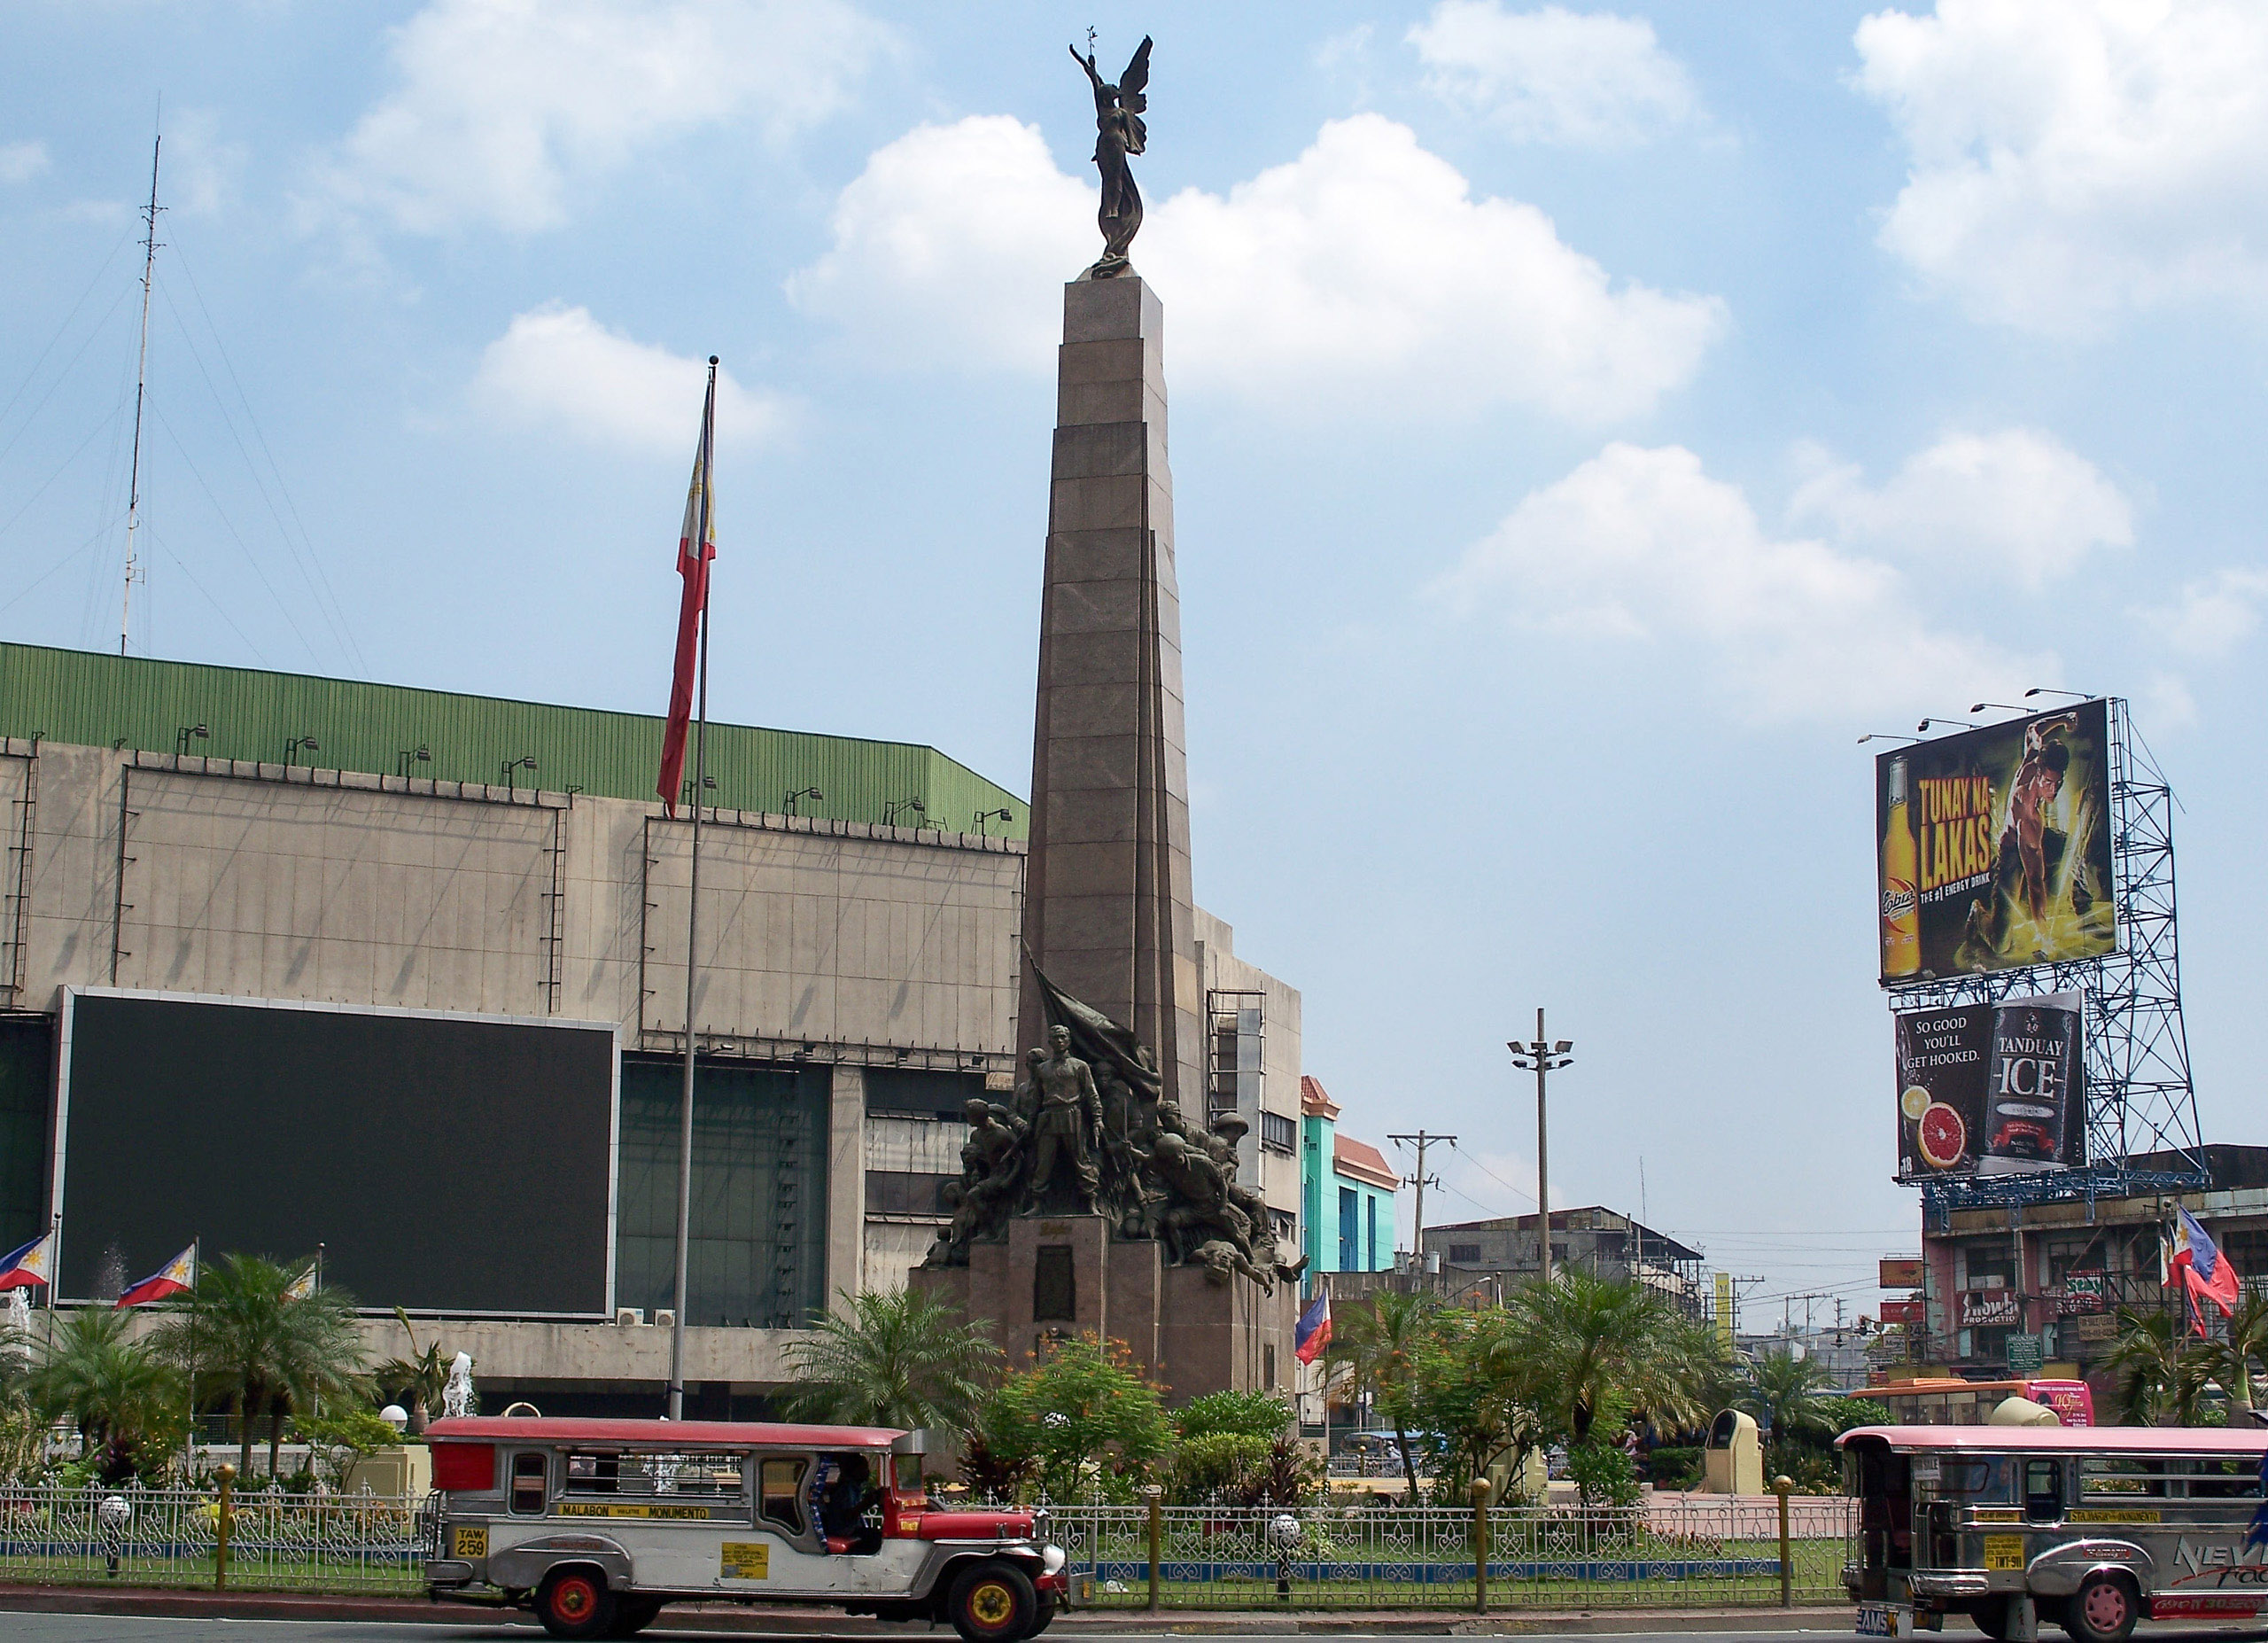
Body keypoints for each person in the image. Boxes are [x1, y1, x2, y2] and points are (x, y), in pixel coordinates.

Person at [814, 1453, 879, 1553]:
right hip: (842, 1531)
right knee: (874, 1537)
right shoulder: (846, 1489)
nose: (867, 1472)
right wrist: (866, 1503)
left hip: (849, 1529)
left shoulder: (855, 1488)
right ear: (854, 1470)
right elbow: (848, 1515)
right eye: (863, 1468)